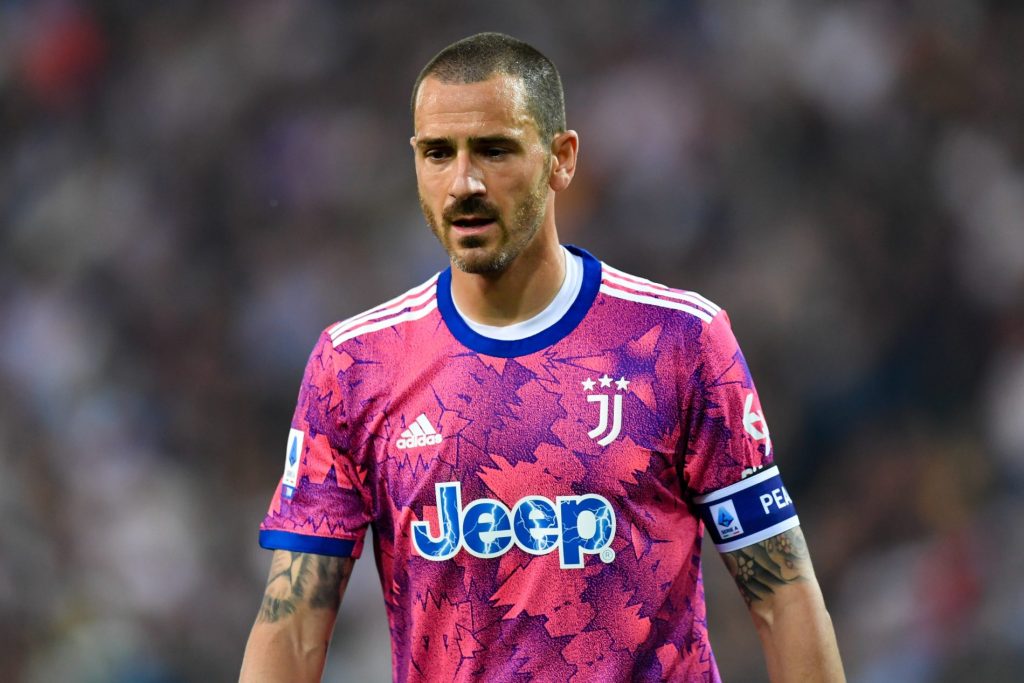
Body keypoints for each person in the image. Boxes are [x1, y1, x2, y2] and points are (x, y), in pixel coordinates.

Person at [239, 32, 845, 683]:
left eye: (494, 150)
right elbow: (293, 627)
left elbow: (782, 593)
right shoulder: (355, 365)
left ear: (562, 159)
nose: (464, 182)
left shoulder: (678, 341)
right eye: (438, 153)